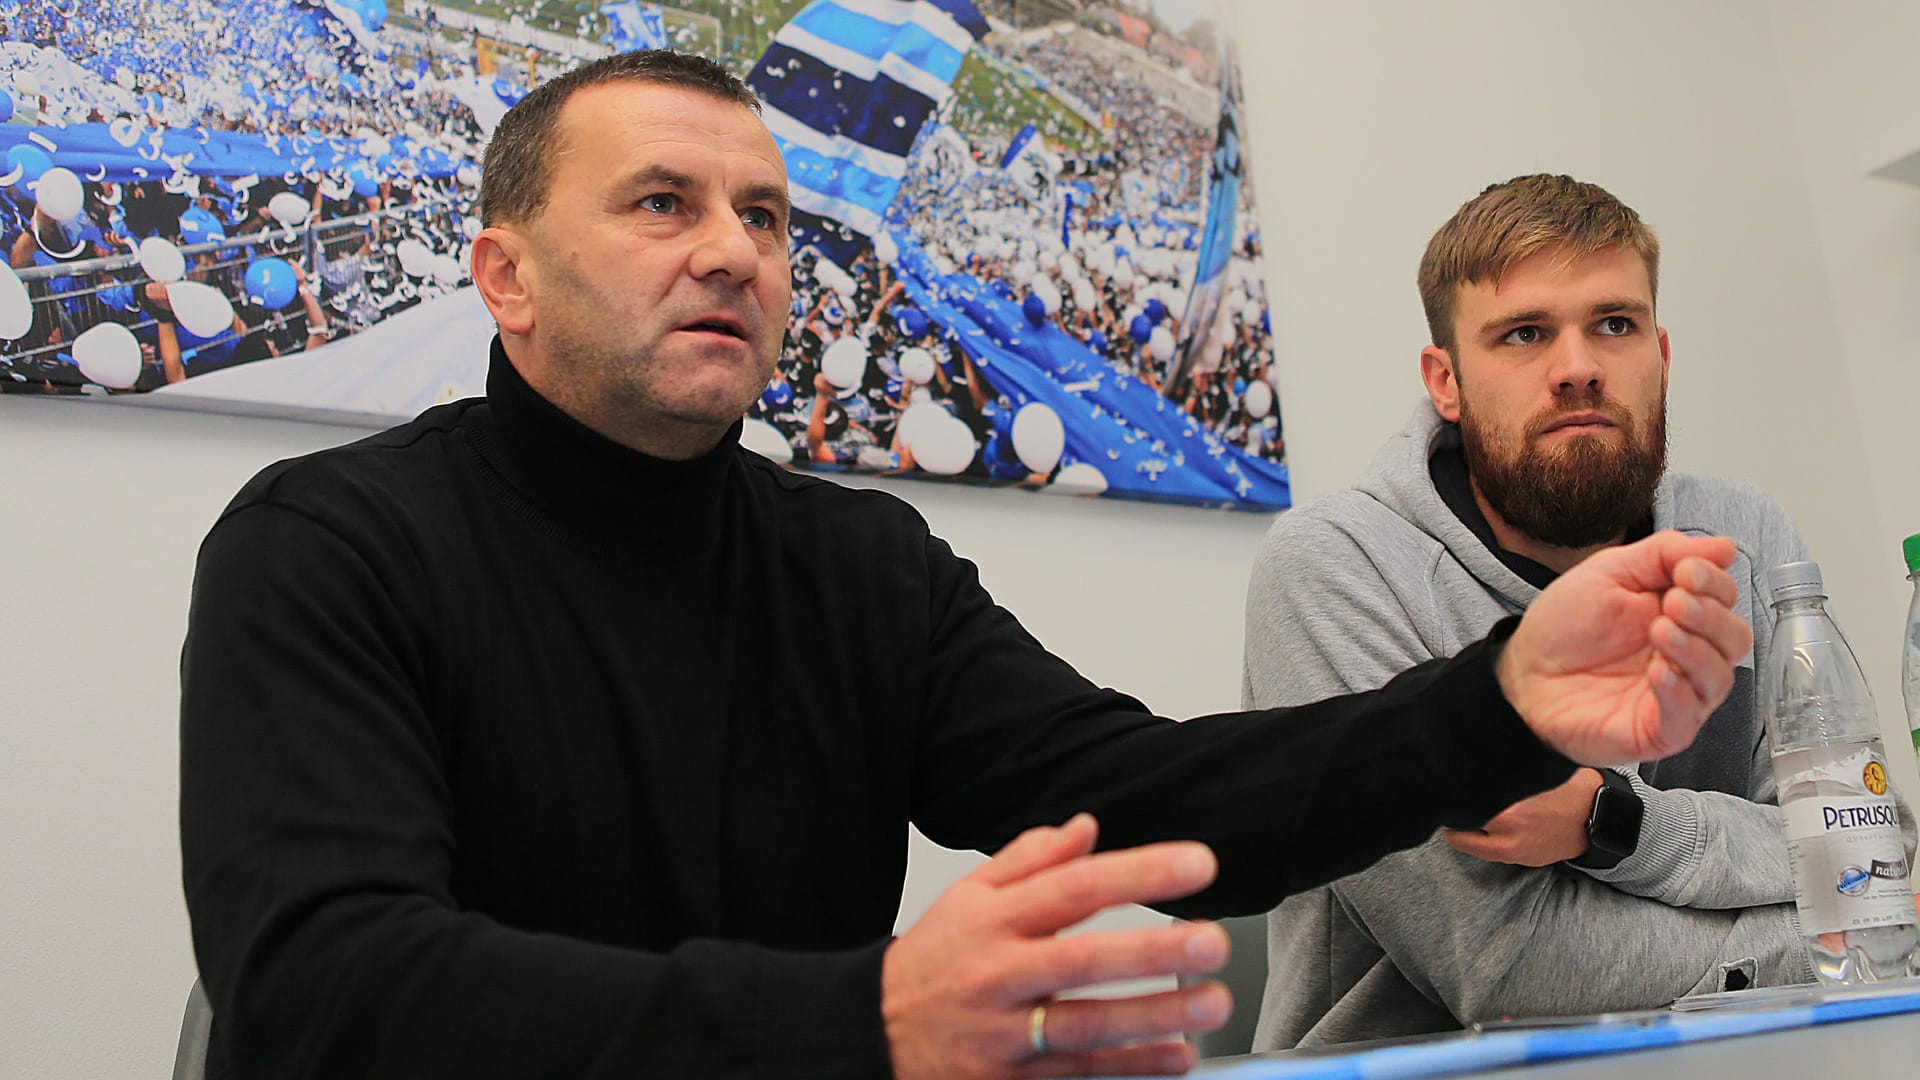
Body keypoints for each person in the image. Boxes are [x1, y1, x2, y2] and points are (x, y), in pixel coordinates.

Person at [180, 59, 1752, 1080]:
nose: (735, 248)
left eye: (768, 216)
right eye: (663, 202)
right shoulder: (322, 545)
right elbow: (325, 988)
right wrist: (858, 1021)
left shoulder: (858, 565)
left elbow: (1149, 798)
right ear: (503, 276)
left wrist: (1500, 701)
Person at [1244, 174, 1914, 1051]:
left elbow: (1874, 862)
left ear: (1661, 354)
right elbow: (1511, 970)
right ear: (1444, 380)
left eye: (1614, 324)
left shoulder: (1739, 537)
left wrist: (1616, 824)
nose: (1579, 366)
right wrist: (1831, 935)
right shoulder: (1339, 568)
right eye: (1524, 333)